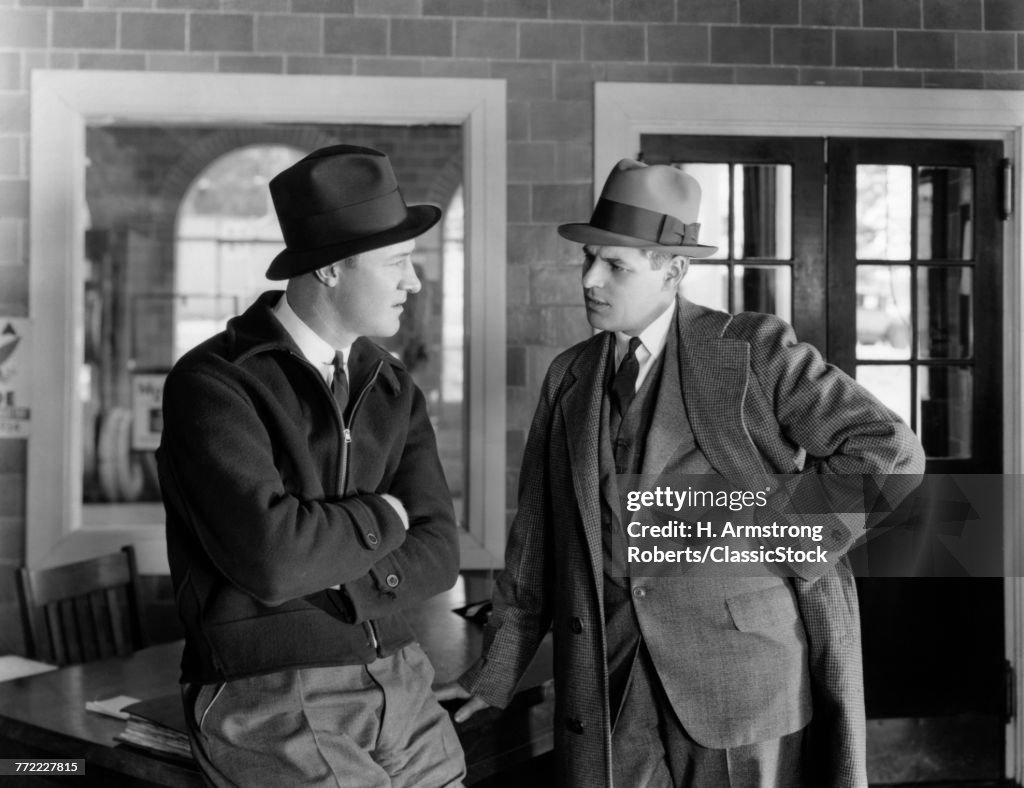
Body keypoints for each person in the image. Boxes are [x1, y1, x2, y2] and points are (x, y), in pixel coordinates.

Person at [440, 160, 925, 787]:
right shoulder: (570, 377)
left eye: (616, 266)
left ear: (673, 271)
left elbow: (888, 449)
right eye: (588, 260)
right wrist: (496, 672)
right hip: (609, 682)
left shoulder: (751, 350)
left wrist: (784, 537)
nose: (590, 279)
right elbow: (536, 543)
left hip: (742, 680)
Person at [158, 144, 466, 787]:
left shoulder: (391, 385)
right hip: (271, 692)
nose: (414, 283)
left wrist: (332, 572)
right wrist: (384, 515)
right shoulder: (215, 384)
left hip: (404, 677)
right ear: (330, 270)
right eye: (399, 263)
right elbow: (273, 561)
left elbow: (438, 552)